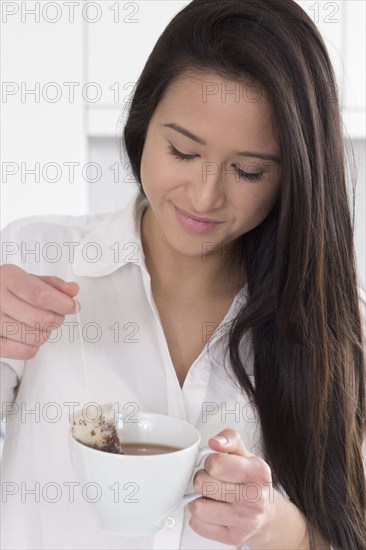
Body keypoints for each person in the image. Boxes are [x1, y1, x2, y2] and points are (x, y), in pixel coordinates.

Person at [1, 0, 365, 549]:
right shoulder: (36, 257)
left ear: (295, 175)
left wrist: (275, 528)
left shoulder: (340, 325)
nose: (204, 195)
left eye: (248, 170)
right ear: (143, 124)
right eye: (182, 151)